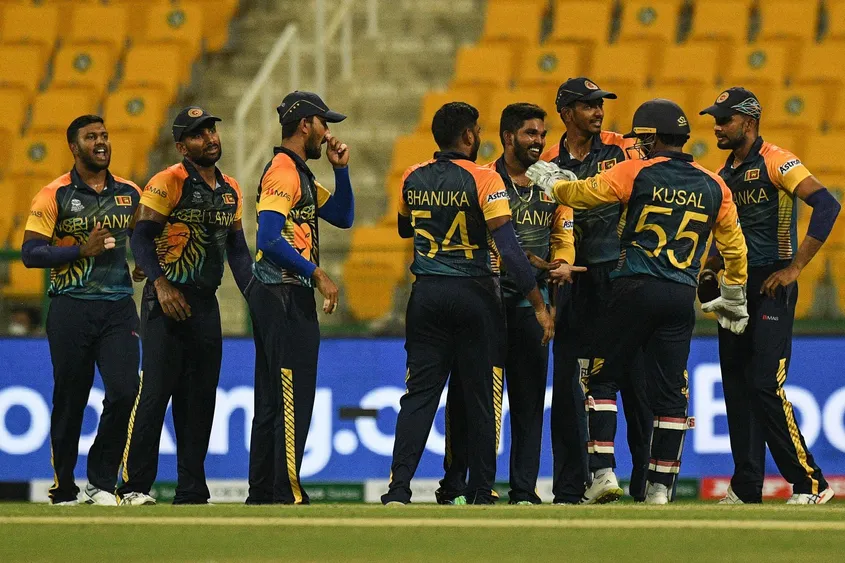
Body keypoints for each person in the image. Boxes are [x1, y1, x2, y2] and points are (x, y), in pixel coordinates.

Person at [527, 98, 749, 504]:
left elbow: (582, 194)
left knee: (602, 378)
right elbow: (735, 248)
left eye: (643, 138)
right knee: (670, 394)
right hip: (680, 297)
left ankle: (603, 473)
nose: (639, 145)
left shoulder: (634, 170)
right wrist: (733, 294)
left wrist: (551, 182)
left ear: (653, 137)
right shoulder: (715, 184)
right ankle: (660, 488)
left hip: (633, 287)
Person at [381, 102, 554, 505]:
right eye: (476, 130)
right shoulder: (484, 178)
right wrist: (538, 303)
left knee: (419, 395)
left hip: (426, 294)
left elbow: (406, 227)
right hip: (475, 293)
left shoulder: (412, 175)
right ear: (467, 135)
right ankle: (480, 491)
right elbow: (509, 250)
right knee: (481, 396)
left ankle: (398, 489)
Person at [699, 87, 839, 505]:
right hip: (735, 289)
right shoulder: (723, 175)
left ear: (749, 121)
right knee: (737, 386)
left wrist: (794, 268)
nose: (717, 127)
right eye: (715, 120)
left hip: (772, 284)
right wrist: (709, 269)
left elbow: (827, 205)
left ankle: (811, 483)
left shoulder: (779, 160)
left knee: (763, 382)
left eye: (724, 120)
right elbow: (724, 233)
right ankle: (746, 488)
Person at [436, 103, 581, 505]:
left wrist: (562, 261)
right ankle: (456, 484)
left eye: (542, 134)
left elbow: (563, 235)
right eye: (530, 133)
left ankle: (523, 489)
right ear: (507, 136)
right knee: (469, 398)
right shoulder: (482, 179)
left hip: (533, 308)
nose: (539, 141)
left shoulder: (555, 184)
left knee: (529, 402)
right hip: (485, 304)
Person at [118, 107, 253, 505]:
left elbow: (238, 252)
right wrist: (160, 284)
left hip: (205, 304)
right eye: (198, 134)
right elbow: (140, 237)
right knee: (155, 393)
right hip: (165, 302)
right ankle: (134, 486)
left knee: (200, 400)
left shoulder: (230, 189)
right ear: (181, 147)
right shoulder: (168, 181)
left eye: (212, 130)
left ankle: (191, 489)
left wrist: (256, 296)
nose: (210, 138)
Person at [541, 77, 652, 504]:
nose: (598, 111)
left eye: (600, 104)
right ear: (566, 113)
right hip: (571, 281)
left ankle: (646, 485)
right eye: (588, 105)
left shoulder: (623, 149)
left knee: (636, 382)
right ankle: (570, 488)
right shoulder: (546, 160)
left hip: (621, 275)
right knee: (570, 385)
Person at [22, 114, 142, 505]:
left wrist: (145, 262)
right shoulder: (53, 194)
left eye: (104, 135)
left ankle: (101, 483)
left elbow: (145, 238)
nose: (101, 142)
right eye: (91, 137)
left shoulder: (130, 192)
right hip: (71, 307)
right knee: (70, 399)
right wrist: (80, 250)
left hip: (118, 307)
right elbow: (30, 253)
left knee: (125, 390)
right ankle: (64, 488)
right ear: (74, 147)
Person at [246, 91, 353, 505]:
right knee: (293, 396)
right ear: (305, 124)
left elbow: (343, 216)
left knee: (272, 399)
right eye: (324, 124)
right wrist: (317, 273)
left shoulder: (300, 173)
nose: (328, 133)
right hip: (283, 293)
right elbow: (269, 239)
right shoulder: (283, 172)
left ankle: (263, 492)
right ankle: (285, 489)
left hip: (281, 293)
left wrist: (341, 171)